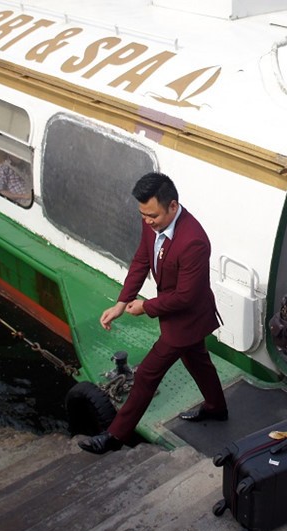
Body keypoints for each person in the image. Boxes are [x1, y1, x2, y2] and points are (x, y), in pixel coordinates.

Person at [79, 172, 228, 454]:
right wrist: (122, 303)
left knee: (147, 375)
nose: (147, 221)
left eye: (152, 216)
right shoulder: (152, 220)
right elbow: (142, 259)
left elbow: (186, 296)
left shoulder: (193, 241)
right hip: (178, 316)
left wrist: (145, 307)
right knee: (199, 363)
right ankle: (217, 408)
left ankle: (114, 437)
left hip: (186, 320)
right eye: (143, 215)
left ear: (173, 206)